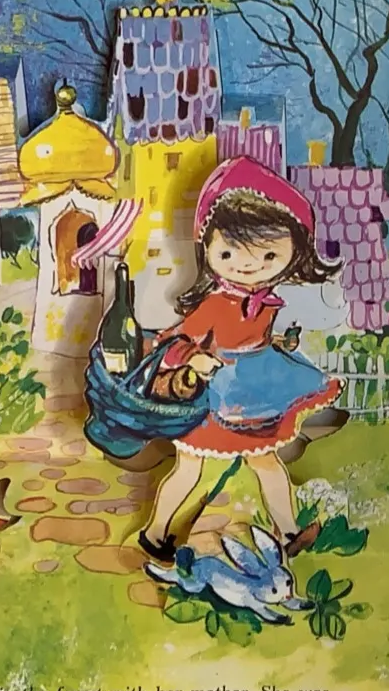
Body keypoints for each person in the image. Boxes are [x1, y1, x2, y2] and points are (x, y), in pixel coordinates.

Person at [129, 160, 342, 560]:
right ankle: (155, 532)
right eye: (228, 252)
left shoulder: (266, 301)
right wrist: (193, 359)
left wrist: (276, 341)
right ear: (207, 248)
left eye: (268, 256)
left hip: (255, 393)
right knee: (188, 468)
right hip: (213, 398)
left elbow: (250, 337)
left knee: (267, 462)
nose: (247, 265)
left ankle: (289, 532)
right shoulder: (214, 303)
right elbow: (176, 340)